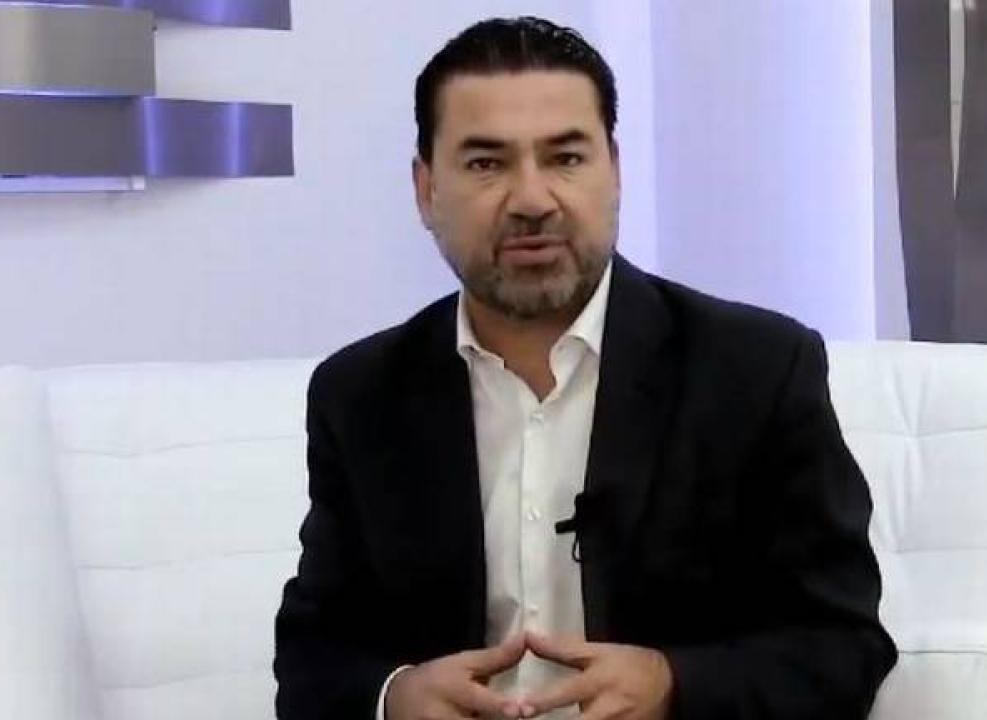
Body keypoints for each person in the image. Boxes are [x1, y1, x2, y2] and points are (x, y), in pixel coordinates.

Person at [275, 16, 895, 720]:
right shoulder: (362, 395)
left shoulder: (754, 371)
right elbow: (311, 659)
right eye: (486, 164)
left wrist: (672, 685)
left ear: (614, 170)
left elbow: (843, 645)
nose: (532, 200)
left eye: (565, 158)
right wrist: (395, 698)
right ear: (425, 189)